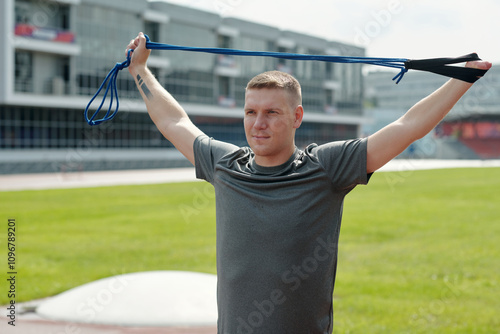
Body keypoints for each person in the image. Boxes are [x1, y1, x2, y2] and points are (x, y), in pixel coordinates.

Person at [126, 32, 491, 334]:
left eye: (272, 112)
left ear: (297, 116)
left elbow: (406, 127)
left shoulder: (326, 167)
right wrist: (139, 70)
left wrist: (463, 78)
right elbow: (174, 121)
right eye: (251, 112)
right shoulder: (224, 164)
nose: (258, 124)